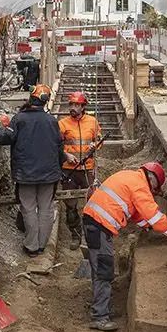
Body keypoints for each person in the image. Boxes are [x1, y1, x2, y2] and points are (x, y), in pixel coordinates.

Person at [81, 161, 167, 332]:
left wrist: (147, 226)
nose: (153, 193)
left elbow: (137, 214)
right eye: (154, 190)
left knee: (101, 269)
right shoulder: (140, 186)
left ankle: (102, 308)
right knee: (104, 271)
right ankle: (99, 316)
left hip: (95, 223)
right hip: (98, 225)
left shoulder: (131, 177)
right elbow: (155, 217)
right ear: (152, 180)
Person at [0, 85, 62, 255]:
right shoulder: (52, 121)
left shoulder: (20, 119)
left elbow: (4, 138)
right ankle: (41, 245)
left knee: (29, 208)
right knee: (46, 208)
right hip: (49, 175)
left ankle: (31, 246)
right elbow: (59, 148)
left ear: (31, 98)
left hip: (27, 175)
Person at [58, 92, 104, 242]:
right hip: (69, 170)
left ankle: (92, 234)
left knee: (93, 202)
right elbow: (57, 145)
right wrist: (66, 155)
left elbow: (99, 140)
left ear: (83, 107)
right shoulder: (63, 123)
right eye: (71, 104)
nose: (73, 107)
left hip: (87, 168)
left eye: (76, 105)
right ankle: (75, 235)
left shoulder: (92, 122)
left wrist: (95, 145)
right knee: (70, 206)